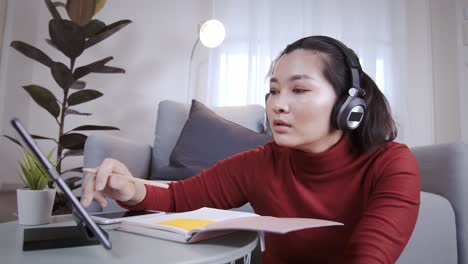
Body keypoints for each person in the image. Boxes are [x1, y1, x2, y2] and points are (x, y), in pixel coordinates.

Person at [81, 36, 420, 264]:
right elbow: (178, 198)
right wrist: (129, 188)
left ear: (350, 105)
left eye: (299, 89)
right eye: (273, 91)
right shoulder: (261, 162)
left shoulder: (391, 164)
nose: (278, 105)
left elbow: (369, 257)